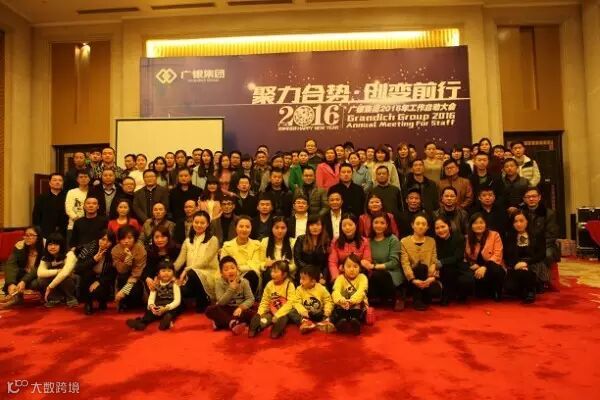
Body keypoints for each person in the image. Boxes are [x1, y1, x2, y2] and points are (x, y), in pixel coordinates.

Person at [174, 211, 220, 313]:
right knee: (175, 289)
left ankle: (203, 301)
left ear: (207, 224)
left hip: (208, 275)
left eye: (202, 223)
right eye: (196, 222)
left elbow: (205, 262)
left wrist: (186, 270)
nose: (199, 225)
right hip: (190, 278)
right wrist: (167, 271)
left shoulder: (213, 240)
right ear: (192, 223)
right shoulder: (187, 241)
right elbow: (179, 261)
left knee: (193, 272)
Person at [205, 256, 256, 335]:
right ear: (221, 273)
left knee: (254, 312)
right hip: (226, 308)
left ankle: (221, 322)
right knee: (210, 309)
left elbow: (251, 299)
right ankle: (232, 323)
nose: (230, 271)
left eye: (232, 268)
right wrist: (231, 289)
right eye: (226, 270)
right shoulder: (219, 283)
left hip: (240, 309)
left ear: (237, 269)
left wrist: (241, 307)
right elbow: (221, 302)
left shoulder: (244, 282)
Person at [400, 213, 441, 310]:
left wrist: (432, 278)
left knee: (436, 291)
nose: (420, 226)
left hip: (428, 277)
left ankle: (424, 293)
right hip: (411, 278)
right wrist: (413, 280)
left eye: (423, 224)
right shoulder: (404, 241)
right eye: (417, 223)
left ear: (427, 227)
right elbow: (405, 263)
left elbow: (434, 260)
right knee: (420, 268)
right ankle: (417, 299)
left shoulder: (431, 241)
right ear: (412, 225)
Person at [126, 261, 181, 331]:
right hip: (158, 305)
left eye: (169, 271)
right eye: (163, 271)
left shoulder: (174, 284)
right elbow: (151, 298)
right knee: (149, 313)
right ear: (158, 273)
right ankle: (142, 323)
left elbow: (177, 300)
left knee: (171, 313)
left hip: (169, 306)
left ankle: (166, 321)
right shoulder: (155, 284)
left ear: (173, 273)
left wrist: (166, 308)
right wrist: (151, 306)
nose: (166, 273)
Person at [504, 210, 545, 303]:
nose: (518, 224)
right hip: (516, 265)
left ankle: (530, 291)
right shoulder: (509, 236)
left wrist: (526, 263)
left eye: (521, 221)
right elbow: (507, 255)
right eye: (515, 221)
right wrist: (516, 265)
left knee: (527, 274)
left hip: (533, 263)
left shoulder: (537, 234)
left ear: (527, 221)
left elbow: (541, 254)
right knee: (509, 288)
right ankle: (528, 287)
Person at [248, 260, 296, 338]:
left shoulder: (289, 285)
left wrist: (278, 315)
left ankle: (276, 331)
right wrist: (260, 313)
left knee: (284, 318)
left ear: (284, 274)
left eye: (275, 272)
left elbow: (291, 303)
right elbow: (265, 301)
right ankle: (257, 327)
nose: (272, 274)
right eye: (272, 271)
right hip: (271, 311)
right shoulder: (269, 284)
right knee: (265, 319)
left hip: (284, 312)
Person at [74, 229, 117, 315]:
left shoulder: (113, 252)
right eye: (103, 239)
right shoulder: (89, 248)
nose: (105, 243)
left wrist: (99, 281)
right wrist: (93, 260)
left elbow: (113, 273)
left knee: (100, 289)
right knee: (86, 274)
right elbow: (77, 268)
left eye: (108, 241)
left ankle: (102, 300)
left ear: (112, 243)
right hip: (89, 278)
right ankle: (88, 303)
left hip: (103, 279)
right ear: (98, 239)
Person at [367, 212, 404, 311]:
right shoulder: (368, 240)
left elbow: (394, 263)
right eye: (376, 222)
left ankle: (398, 296)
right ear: (372, 224)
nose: (379, 225)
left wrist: (374, 266)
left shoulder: (393, 240)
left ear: (387, 225)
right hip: (373, 273)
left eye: (382, 223)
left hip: (391, 273)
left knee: (378, 274)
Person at [464, 213, 506, 301]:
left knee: (495, 270)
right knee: (480, 294)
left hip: (493, 266)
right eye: (475, 223)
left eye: (481, 222)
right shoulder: (467, 238)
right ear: (471, 225)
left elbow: (497, 255)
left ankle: (497, 291)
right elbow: (465, 257)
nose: (479, 225)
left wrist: (485, 267)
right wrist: (472, 264)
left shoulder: (494, 235)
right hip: (476, 268)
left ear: (486, 224)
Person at [433, 216, 473, 305]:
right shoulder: (434, 240)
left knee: (467, 280)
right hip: (442, 269)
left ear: (449, 227)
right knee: (447, 270)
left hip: (458, 266)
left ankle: (460, 294)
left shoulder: (459, 238)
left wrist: (441, 262)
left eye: (443, 226)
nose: (440, 230)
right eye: (437, 228)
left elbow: (458, 257)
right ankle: (446, 294)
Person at [0, 227, 44, 309]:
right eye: (26, 235)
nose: (28, 237)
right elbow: (11, 264)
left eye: (31, 235)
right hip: (25, 273)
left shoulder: (45, 246)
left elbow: (38, 268)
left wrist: (24, 281)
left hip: (39, 274)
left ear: (38, 237)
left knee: (35, 283)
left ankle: (46, 296)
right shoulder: (20, 246)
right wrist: (11, 283)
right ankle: (16, 298)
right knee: (12, 275)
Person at [286, 266, 335, 334]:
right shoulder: (299, 289)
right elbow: (296, 302)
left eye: (303, 279)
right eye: (300, 278)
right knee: (291, 312)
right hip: (305, 315)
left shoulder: (322, 289)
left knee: (333, 310)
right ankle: (305, 322)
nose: (300, 281)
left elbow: (328, 301)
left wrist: (327, 311)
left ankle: (325, 321)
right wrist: (303, 311)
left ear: (312, 281)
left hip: (318, 313)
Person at [520, 187, 560, 269]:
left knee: (547, 255)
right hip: (526, 242)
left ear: (539, 197)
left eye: (534, 196)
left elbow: (551, 235)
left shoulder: (549, 213)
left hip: (545, 245)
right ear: (524, 199)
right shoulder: (520, 213)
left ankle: (544, 275)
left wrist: (536, 245)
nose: (531, 199)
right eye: (528, 197)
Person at [221, 216, 262, 294]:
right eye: (241, 226)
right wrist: (247, 264)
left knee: (252, 274)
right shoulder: (227, 246)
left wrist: (238, 267)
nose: (244, 229)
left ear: (251, 229)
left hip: (251, 277)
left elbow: (256, 266)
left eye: (247, 227)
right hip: (232, 278)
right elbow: (225, 267)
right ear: (236, 228)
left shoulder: (256, 245)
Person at [328, 213, 372, 283]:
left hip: (359, 275)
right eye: (344, 225)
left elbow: (366, 261)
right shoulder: (336, 241)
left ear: (356, 225)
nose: (347, 228)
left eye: (350, 225)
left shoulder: (364, 241)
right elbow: (332, 262)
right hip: (341, 275)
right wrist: (336, 277)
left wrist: (350, 269)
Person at [330, 254, 368, 335]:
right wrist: (341, 300)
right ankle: (341, 324)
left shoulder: (362, 277)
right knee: (337, 311)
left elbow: (361, 292)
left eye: (355, 266)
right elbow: (335, 291)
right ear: (343, 268)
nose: (352, 269)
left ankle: (356, 324)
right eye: (348, 266)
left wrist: (352, 301)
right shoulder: (340, 278)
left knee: (358, 311)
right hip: (343, 304)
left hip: (357, 303)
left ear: (360, 268)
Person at [36, 233, 77, 308]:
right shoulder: (46, 257)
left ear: (61, 245)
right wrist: (57, 271)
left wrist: (50, 287)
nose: (52, 247)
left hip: (72, 280)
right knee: (41, 279)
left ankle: (70, 298)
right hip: (57, 280)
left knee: (65, 277)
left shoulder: (70, 254)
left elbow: (65, 273)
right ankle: (55, 298)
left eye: (56, 244)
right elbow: (40, 273)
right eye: (50, 244)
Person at [111, 225, 147, 311]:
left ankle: (136, 302)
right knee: (122, 277)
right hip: (123, 277)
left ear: (135, 238)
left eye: (130, 238)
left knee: (135, 289)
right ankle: (123, 303)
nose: (126, 241)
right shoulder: (115, 250)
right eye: (123, 238)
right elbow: (121, 270)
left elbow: (138, 272)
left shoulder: (140, 249)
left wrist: (124, 291)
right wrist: (127, 261)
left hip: (138, 279)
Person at [142, 226, 179, 296]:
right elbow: (147, 269)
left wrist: (173, 277)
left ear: (168, 238)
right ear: (153, 239)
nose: (160, 240)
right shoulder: (150, 251)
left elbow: (179, 267)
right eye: (156, 237)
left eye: (163, 237)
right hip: (156, 279)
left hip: (172, 277)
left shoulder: (175, 249)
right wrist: (147, 278)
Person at [293, 215, 330, 285]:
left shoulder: (326, 241)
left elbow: (326, 264)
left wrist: (324, 277)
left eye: (318, 224)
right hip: (303, 274)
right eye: (312, 225)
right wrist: (313, 273)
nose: (315, 227)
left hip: (321, 276)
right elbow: (298, 260)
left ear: (322, 226)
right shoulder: (301, 239)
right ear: (308, 227)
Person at [259, 217, 296, 284]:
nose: (280, 231)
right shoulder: (265, 241)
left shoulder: (293, 242)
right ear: (271, 228)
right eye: (276, 228)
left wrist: (282, 269)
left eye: (283, 228)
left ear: (287, 229)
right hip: (270, 274)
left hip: (287, 274)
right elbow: (260, 263)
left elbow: (295, 264)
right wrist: (266, 264)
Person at [32, 173, 68, 238]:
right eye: (55, 180)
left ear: (63, 183)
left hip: (64, 231)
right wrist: (38, 230)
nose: (57, 182)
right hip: (46, 231)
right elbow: (36, 215)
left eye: (60, 180)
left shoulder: (68, 197)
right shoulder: (42, 197)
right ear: (50, 183)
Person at [65, 171, 90, 246]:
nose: (83, 179)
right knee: (71, 250)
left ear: (89, 179)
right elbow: (68, 208)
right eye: (81, 177)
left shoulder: (92, 191)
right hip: (73, 225)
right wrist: (78, 220)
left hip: (89, 225)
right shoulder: (72, 192)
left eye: (85, 177)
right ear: (77, 179)